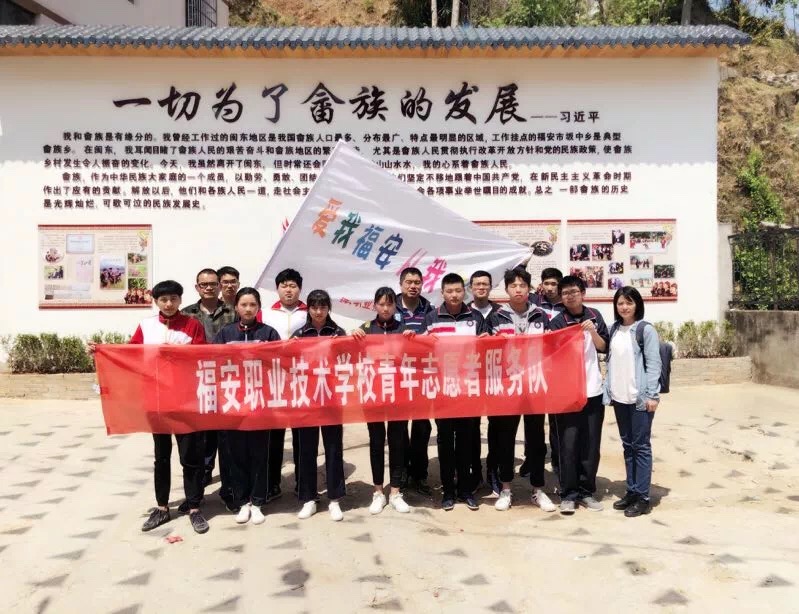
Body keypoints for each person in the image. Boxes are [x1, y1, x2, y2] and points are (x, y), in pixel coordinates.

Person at [90, 280, 209, 534]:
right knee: (161, 456)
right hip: (156, 399)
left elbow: (202, 356)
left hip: (185, 399)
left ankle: (194, 507)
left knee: (190, 456)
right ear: (156, 302)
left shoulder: (193, 325)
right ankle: (162, 507)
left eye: (173, 299)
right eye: (163, 299)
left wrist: (176, 354)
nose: (169, 304)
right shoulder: (146, 325)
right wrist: (101, 351)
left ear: (180, 300)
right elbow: (129, 353)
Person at [487, 268, 556, 512]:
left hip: (534, 386)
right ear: (506, 289)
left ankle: (538, 489)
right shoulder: (496, 317)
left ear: (529, 289)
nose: (518, 290)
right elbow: (488, 352)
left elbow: (551, 349)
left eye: (522, 285)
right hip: (507, 387)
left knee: (536, 440)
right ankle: (506, 488)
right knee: (505, 438)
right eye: (513, 286)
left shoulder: (540, 315)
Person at [213, 287, 280, 525]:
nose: (248, 309)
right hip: (233, 402)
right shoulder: (225, 333)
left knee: (260, 454)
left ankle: (258, 501)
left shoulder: (268, 332)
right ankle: (242, 501)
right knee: (237, 454)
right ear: (236, 307)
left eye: (253, 305)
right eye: (244, 304)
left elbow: (279, 362)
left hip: (260, 402)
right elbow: (214, 361)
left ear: (258, 307)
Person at [424, 273, 489, 511]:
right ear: (442, 293)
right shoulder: (432, 318)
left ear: (465, 292)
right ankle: (448, 492)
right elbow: (421, 350)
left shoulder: (475, 317)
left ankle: (465, 490)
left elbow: (486, 349)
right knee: (444, 441)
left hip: (467, 390)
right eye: (449, 291)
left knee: (465, 440)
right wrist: (421, 339)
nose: (454, 295)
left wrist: (487, 341)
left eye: (458, 291)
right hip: (443, 390)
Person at [549, 275, 610, 515]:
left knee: (591, 443)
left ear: (582, 293)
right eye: (565, 293)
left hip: (593, 389)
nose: (570, 296)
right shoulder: (557, 322)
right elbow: (552, 353)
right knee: (568, 444)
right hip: (566, 392)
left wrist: (592, 332)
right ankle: (568, 494)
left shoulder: (594, 316)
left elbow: (603, 346)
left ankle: (587, 491)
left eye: (574, 292)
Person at [352, 287, 416, 515]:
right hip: (373, 394)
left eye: (389, 304)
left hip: (398, 395)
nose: (386, 308)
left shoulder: (403, 328)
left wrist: (412, 339)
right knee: (377, 442)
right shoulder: (365, 329)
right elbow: (349, 352)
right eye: (381, 304)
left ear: (395, 306)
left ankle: (396, 492)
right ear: (374, 306)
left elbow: (416, 355)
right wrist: (353, 335)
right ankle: (378, 492)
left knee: (398, 443)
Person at [181, 268, 237, 506]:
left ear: (219, 286)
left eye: (213, 284)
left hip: (227, 382)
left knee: (227, 440)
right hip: (197, 383)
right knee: (200, 441)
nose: (209, 288)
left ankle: (229, 491)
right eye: (204, 284)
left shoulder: (233, 312)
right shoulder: (186, 315)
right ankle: (196, 494)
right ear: (197, 288)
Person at [604, 287, 661, 517]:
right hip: (620, 397)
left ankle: (643, 497)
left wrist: (652, 395)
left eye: (629, 302)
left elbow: (654, 364)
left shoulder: (645, 330)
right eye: (620, 303)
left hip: (640, 399)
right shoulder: (614, 329)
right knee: (628, 446)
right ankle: (632, 490)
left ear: (637, 305)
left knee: (641, 447)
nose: (624, 307)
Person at [292, 290, 347, 521]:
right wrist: (291, 347)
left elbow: (348, 361)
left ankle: (335, 499)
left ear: (328, 309)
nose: (318, 311)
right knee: (307, 449)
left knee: (333, 448)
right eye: (314, 307)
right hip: (307, 399)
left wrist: (342, 345)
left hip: (331, 398)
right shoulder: (299, 334)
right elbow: (289, 363)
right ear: (309, 309)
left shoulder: (337, 333)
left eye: (322, 307)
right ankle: (308, 498)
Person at [260, 268, 307, 503]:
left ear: (300, 288)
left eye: (293, 286)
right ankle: (272, 483)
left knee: (302, 434)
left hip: (302, 380)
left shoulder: (311, 312)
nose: (288, 290)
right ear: (277, 288)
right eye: (284, 286)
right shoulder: (265, 313)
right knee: (274, 435)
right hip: (274, 380)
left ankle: (303, 482)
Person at [396, 266, 435, 496]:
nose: (413, 286)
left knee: (422, 427)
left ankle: (419, 475)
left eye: (417, 282)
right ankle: (401, 474)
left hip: (422, 375)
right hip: (398, 377)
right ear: (401, 284)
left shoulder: (430, 310)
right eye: (409, 282)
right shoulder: (390, 307)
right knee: (399, 428)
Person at [524, 267, 564, 481]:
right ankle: (531, 459)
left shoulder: (566, 304)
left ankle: (558, 462)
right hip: (535, 368)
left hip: (558, 368)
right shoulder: (534, 302)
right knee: (533, 420)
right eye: (546, 283)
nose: (549, 288)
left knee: (556, 421)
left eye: (553, 284)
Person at [468, 271, 501, 494]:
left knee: (497, 427)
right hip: (471, 377)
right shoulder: (463, 312)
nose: (481, 287)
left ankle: (493, 471)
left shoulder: (501, 312)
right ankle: (475, 472)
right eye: (477, 284)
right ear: (471, 288)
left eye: (485, 284)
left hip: (496, 376)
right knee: (471, 427)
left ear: (490, 287)